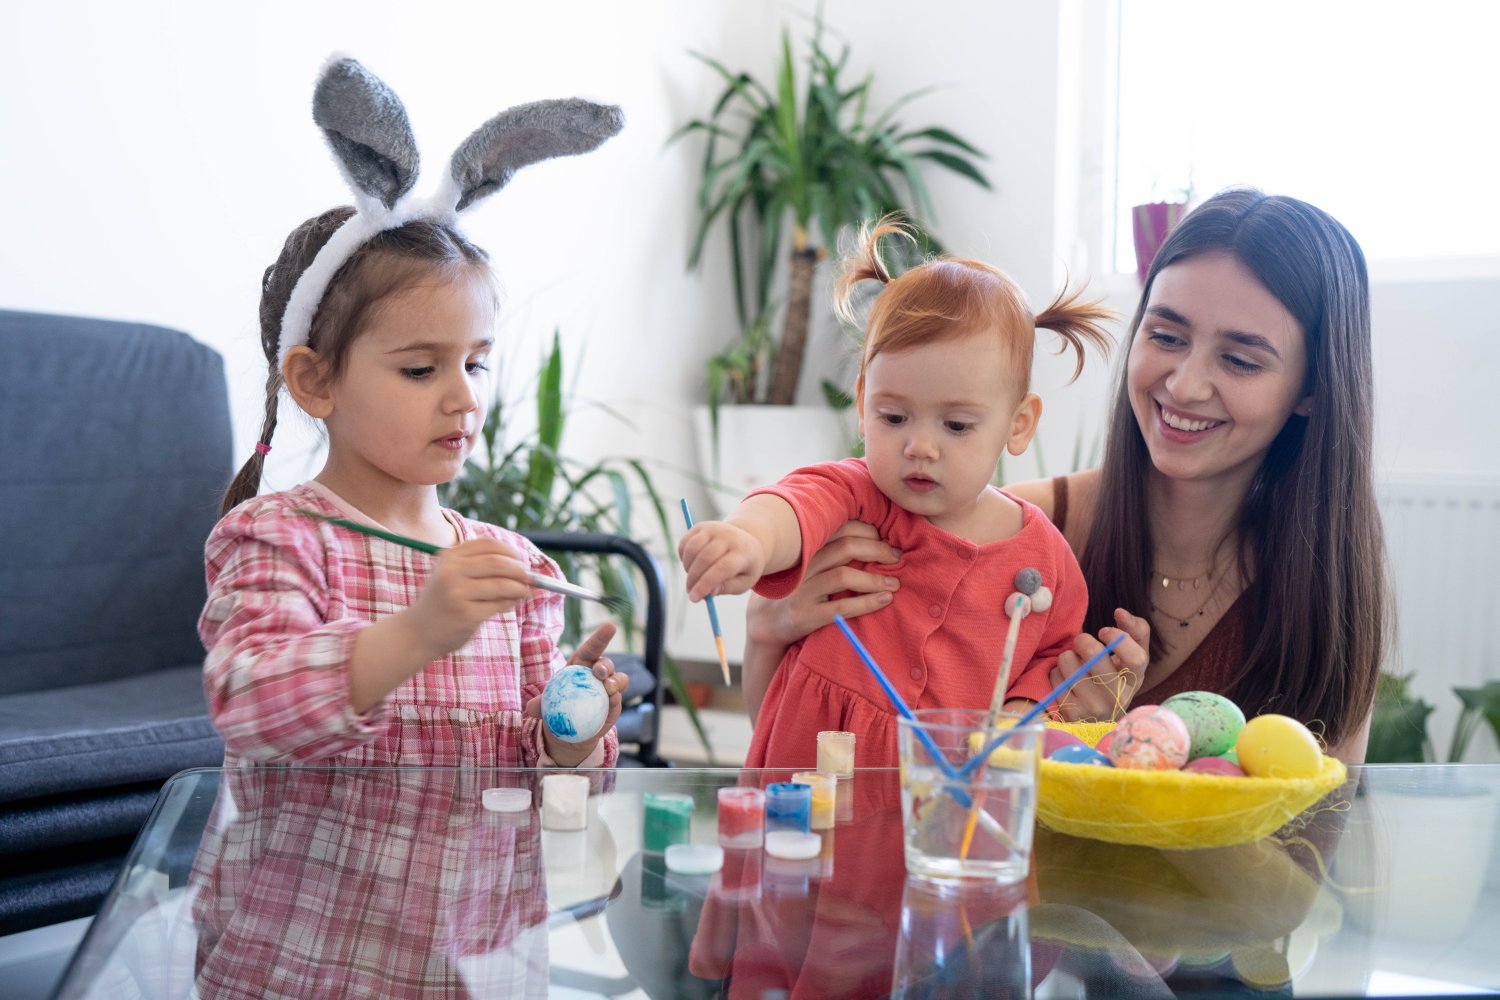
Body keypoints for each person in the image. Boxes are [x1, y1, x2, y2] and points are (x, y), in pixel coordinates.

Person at [745, 188, 1388, 763]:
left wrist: (1091, 739)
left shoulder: (1324, 592)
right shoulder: (979, 535)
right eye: (1165, 336)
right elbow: (817, 749)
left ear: (1312, 388)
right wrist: (769, 626)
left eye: (1241, 360)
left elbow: (1312, 852)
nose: (1186, 384)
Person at [200, 57, 629, 769]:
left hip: (482, 885)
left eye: (477, 362)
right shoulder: (278, 539)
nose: (463, 396)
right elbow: (249, 705)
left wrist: (569, 734)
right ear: (314, 380)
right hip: (317, 886)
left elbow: (531, 767)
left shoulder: (515, 568)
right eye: (421, 369)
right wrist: (421, 629)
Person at [680, 216, 1139, 770]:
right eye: (894, 416)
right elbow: (794, 503)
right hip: (810, 786)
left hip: (940, 805)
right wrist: (748, 540)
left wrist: (1015, 724)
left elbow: (1047, 660)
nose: (920, 446)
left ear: (1018, 425)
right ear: (862, 401)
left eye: (957, 426)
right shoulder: (860, 495)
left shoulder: (1046, 560)